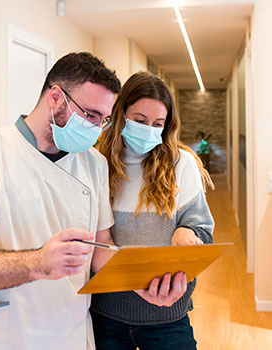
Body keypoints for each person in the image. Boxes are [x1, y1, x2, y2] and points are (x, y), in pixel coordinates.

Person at [0, 52, 122, 350]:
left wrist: (146, 282)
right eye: (91, 115)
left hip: (67, 334)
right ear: (56, 97)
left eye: (104, 120)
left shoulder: (94, 164)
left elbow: (100, 246)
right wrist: (38, 263)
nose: (97, 129)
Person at [90, 71, 215, 350]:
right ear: (120, 114)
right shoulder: (96, 162)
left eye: (158, 123)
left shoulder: (181, 164)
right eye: (139, 121)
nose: (149, 130)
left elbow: (203, 232)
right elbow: (94, 240)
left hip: (167, 317)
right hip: (106, 315)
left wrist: (187, 232)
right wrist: (134, 280)